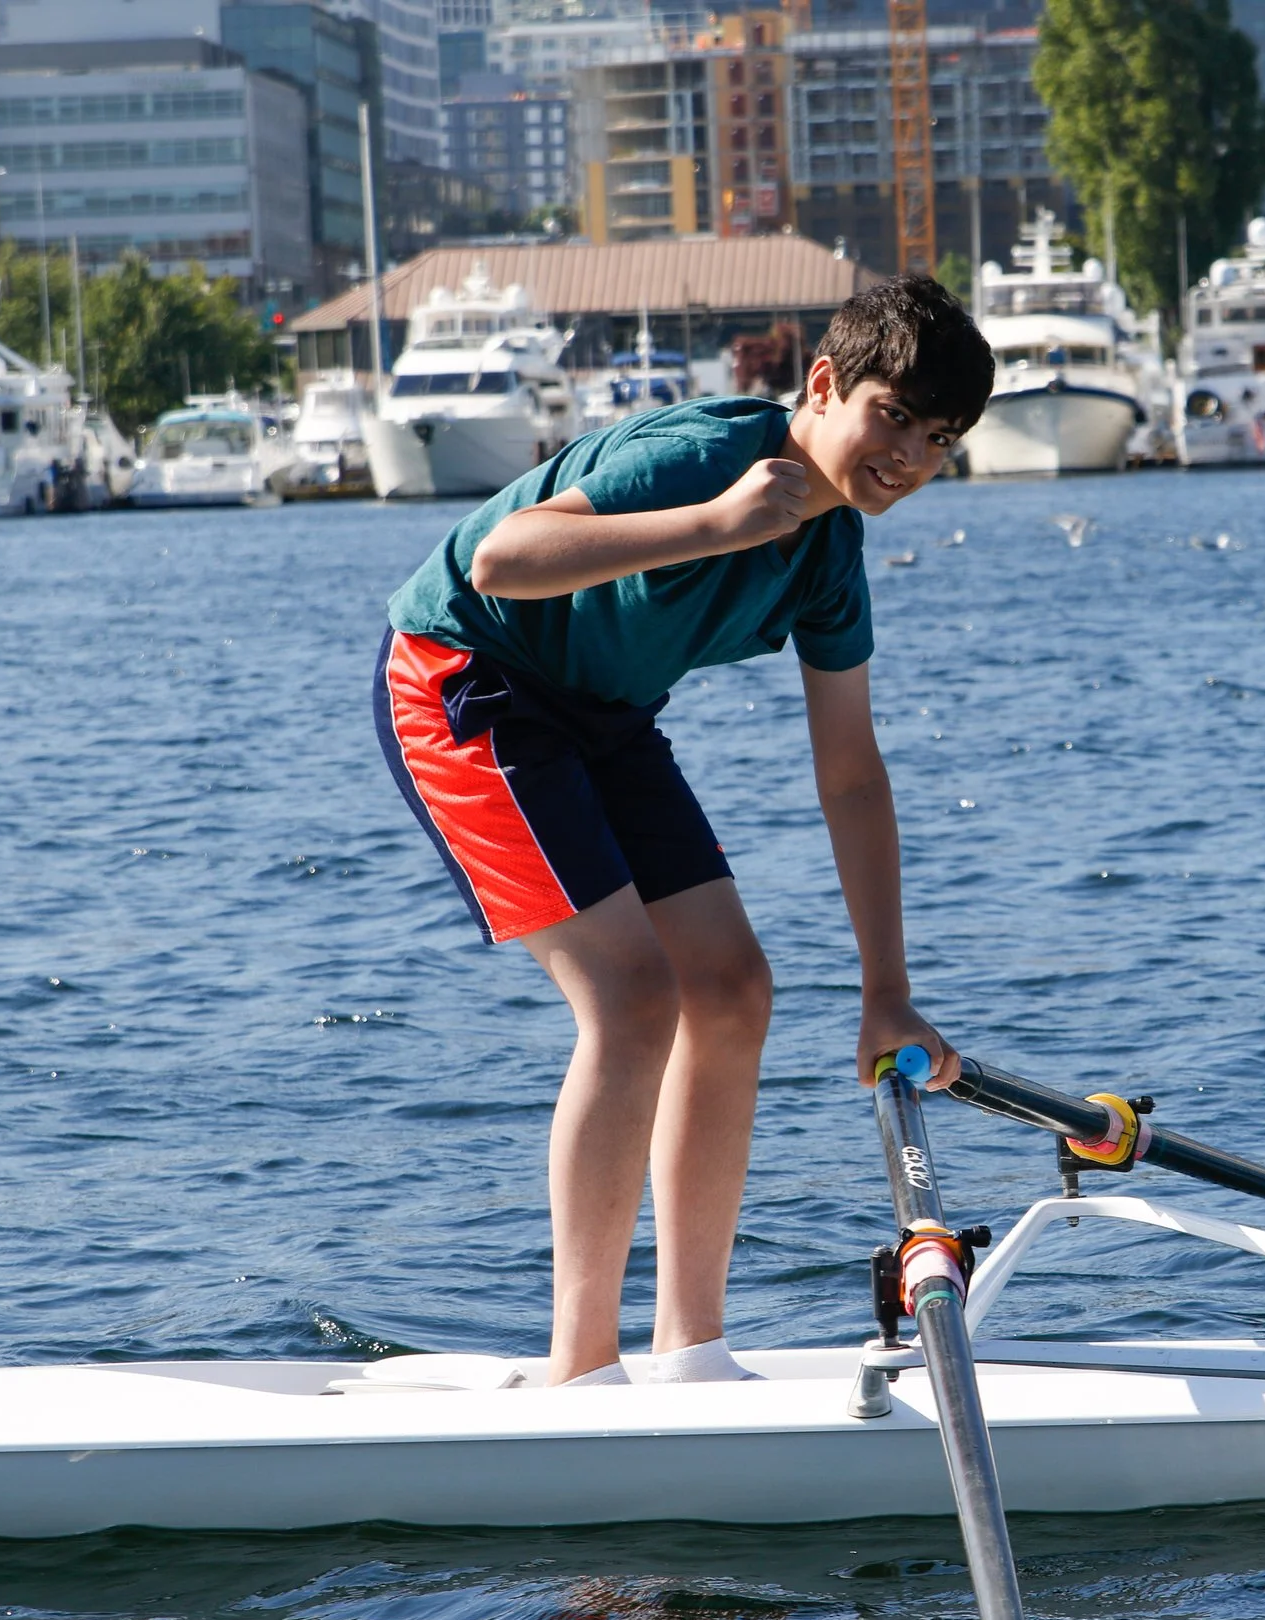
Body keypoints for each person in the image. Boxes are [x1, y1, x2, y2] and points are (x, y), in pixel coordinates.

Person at [374, 276, 994, 1387]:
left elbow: (850, 773)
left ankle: (691, 1350)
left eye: (939, 438)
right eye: (892, 414)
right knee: (633, 994)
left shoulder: (832, 560)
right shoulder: (703, 461)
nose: (909, 454)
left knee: (734, 986)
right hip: (465, 680)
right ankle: (580, 1365)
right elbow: (497, 562)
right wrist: (713, 526)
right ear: (821, 386)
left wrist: (885, 986)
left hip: (602, 714)